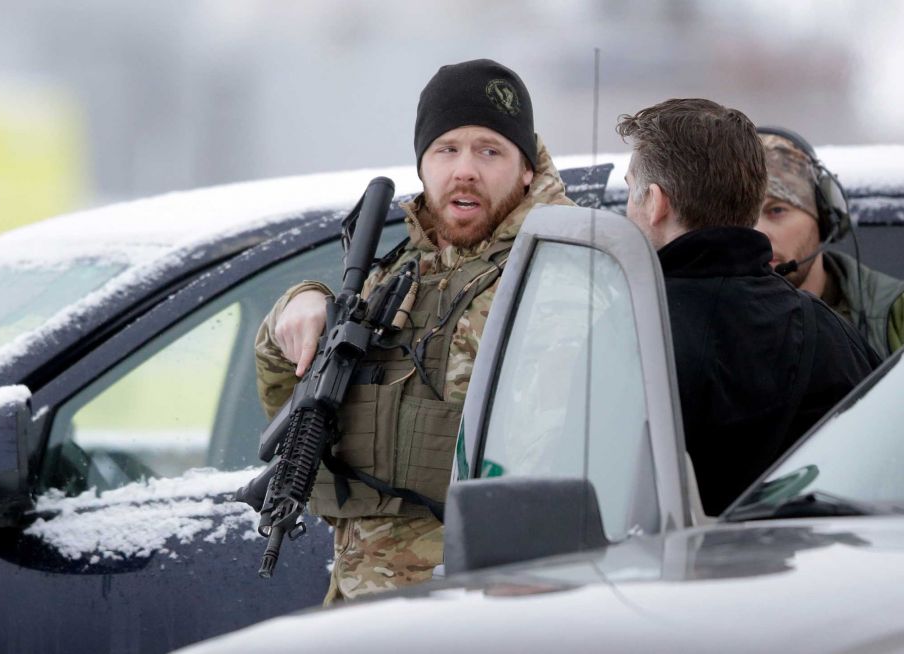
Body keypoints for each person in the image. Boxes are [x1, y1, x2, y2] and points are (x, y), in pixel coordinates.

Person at [255, 59, 575, 603]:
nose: (465, 169)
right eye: (446, 149)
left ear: (527, 168)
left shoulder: (560, 271)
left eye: (489, 150)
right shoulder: (398, 272)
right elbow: (293, 399)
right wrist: (299, 304)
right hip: (365, 601)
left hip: (482, 606)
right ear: (423, 166)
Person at [616, 99, 879, 515]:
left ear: (655, 202)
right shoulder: (832, 334)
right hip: (818, 575)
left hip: (654, 577)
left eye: (632, 191)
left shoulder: (621, 332)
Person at [756, 127, 904, 359]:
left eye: (776, 210)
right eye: (741, 218)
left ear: (825, 216)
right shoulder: (699, 320)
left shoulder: (896, 314)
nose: (758, 233)